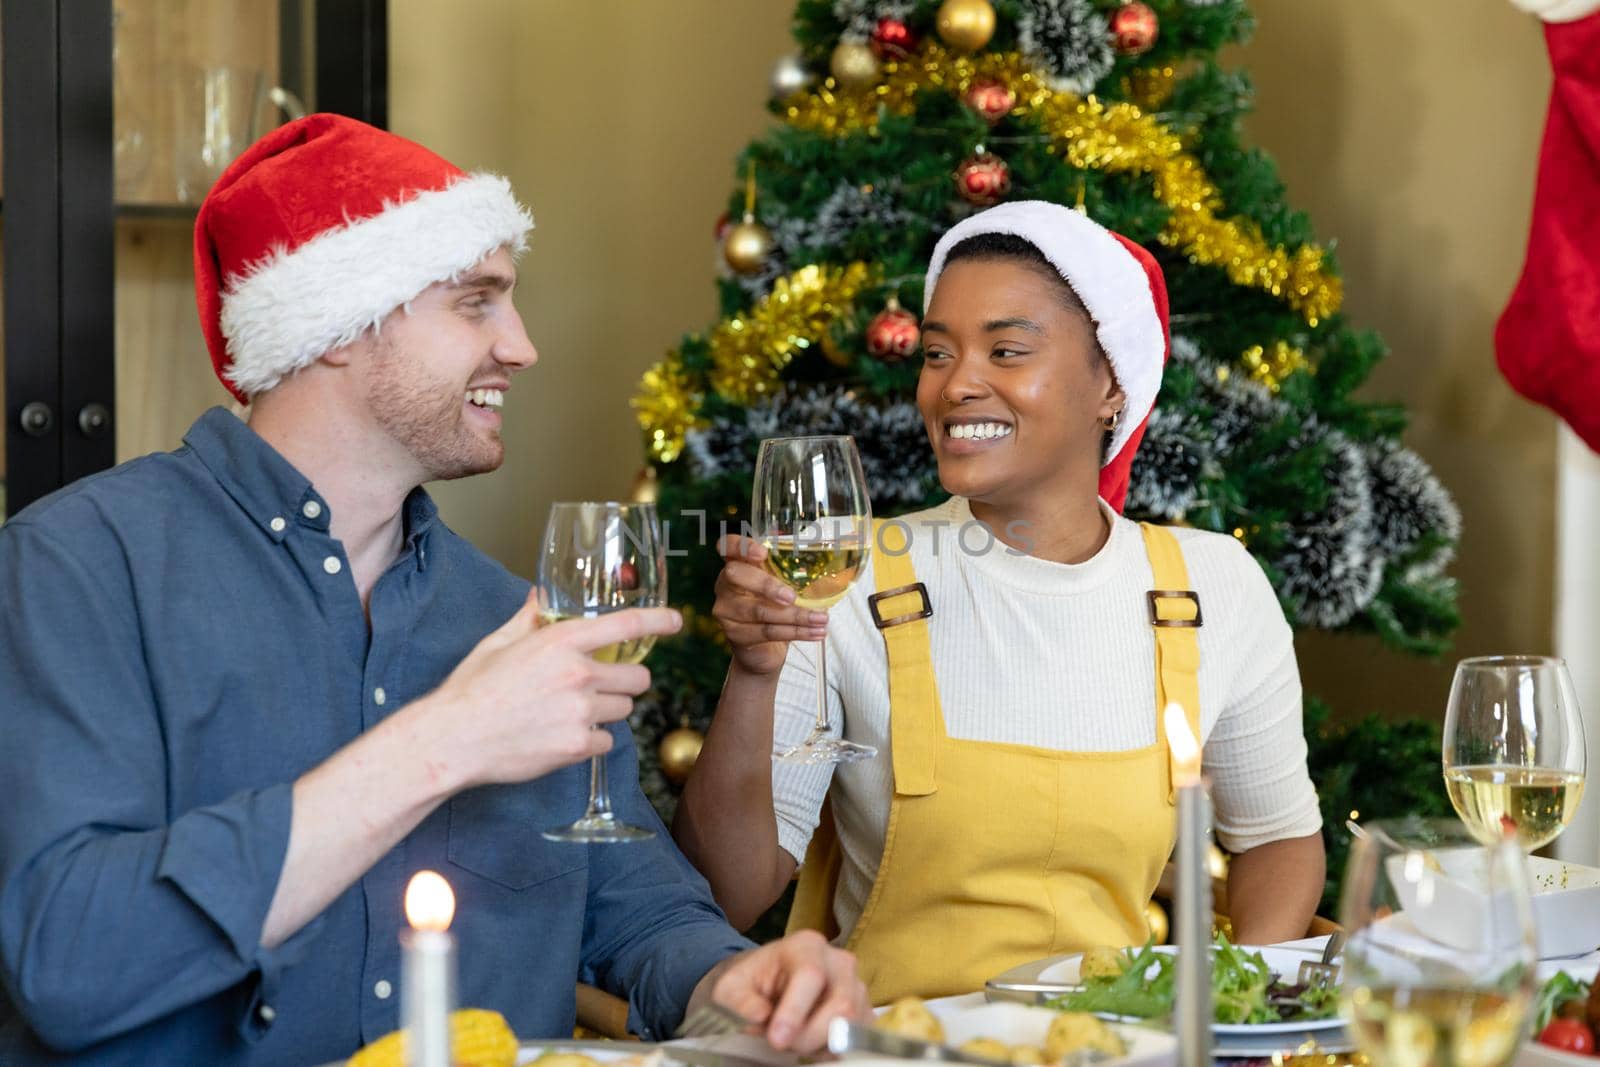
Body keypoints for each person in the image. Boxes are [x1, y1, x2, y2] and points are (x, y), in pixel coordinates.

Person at [0, 114, 866, 1065]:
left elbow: (632, 904)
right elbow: (66, 964)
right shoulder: (76, 566)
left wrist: (726, 978)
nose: (522, 345)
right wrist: (443, 742)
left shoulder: (505, 616)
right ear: (338, 324)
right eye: (476, 301)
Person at [673, 200, 1327, 1004]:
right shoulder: (849, 578)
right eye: (937, 353)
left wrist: (1231, 1018)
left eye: (1006, 350)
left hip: (1110, 1058)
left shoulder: (1208, 586)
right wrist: (755, 673)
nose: (957, 385)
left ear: (1111, 386)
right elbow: (725, 890)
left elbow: (1279, 841)